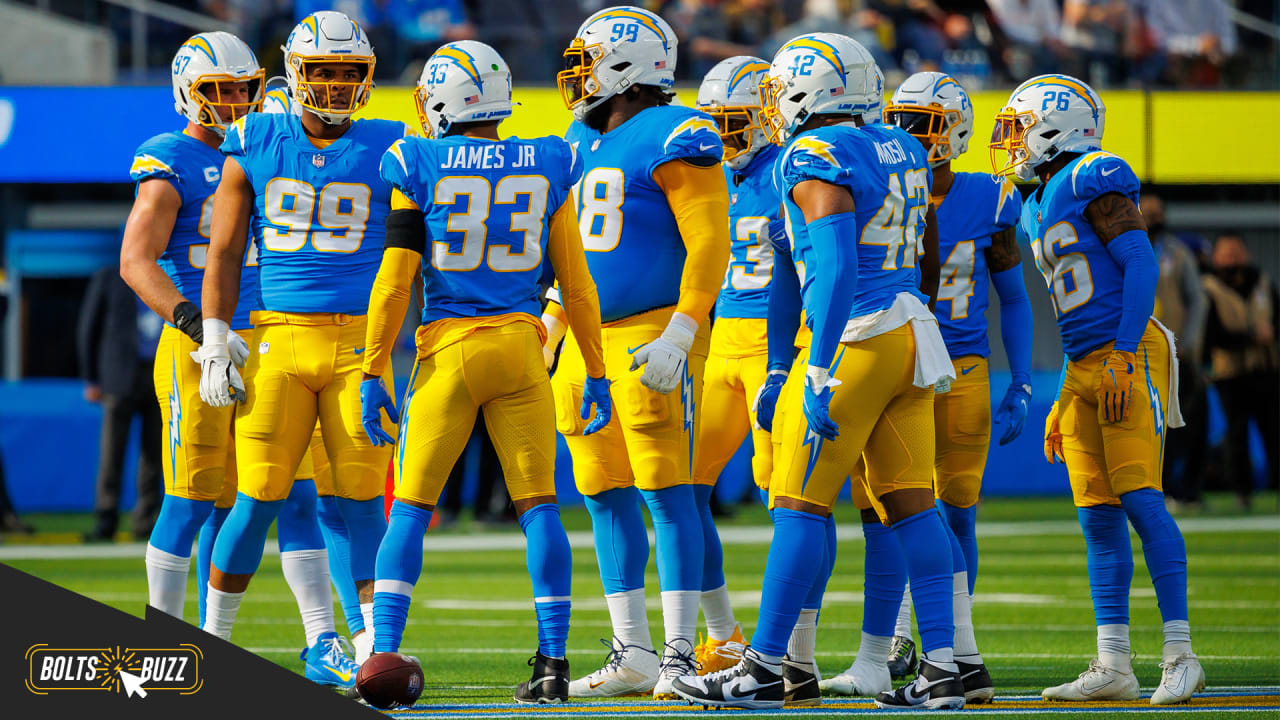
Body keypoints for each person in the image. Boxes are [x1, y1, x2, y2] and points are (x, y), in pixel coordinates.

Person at [673, 33, 965, 711]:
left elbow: (832, 266)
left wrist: (819, 363)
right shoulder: (899, 145)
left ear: (809, 91)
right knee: (913, 507)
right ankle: (943, 669)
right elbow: (919, 250)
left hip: (857, 338)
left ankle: (764, 666)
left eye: (781, 90)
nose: (775, 104)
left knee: (800, 506)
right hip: (910, 335)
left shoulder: (816, 153)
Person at [363, 40, 610, 703]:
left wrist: (371, 369)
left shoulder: (415, 159)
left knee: (410, 513)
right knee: (538, 509)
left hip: (448, 350)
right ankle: (553, 664)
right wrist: (598, 370)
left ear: (444, 101)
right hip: (522, 348)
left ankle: (382, 652)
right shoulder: (551, 158)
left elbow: (395, 282)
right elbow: (577, 282)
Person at [120, 33, 363, 687]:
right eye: (216, 89)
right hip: (202, 343)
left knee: (299, 494)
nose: (230, 101)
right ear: (185, 94)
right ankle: (165, 649)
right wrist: (199, 325)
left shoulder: (268, 145)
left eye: (240, 87)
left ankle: (322, 640)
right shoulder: (170, 157)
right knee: (190, 499)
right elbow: (136, 260)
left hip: (281, 339)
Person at [195, 12, 407, 682]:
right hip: (279, 339)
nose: (338, 84)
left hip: (357, 348)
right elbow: (225, 251)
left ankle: (372, 642)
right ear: (296, 72)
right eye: (323, 71)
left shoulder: (393, 144)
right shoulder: (254, 136)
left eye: (349, 72)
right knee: (256, 496)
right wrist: (214, 336)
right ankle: (214, 643)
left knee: (360, 501)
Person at [991, 73, 1203, 705]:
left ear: (1058, 127)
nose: (1013, 141)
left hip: (1127, 351)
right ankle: (1114, 664)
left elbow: (1139, 263)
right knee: (1096, 516)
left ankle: (1181, 654)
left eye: (1021, 127)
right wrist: (1066, 388)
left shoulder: (1095, 174)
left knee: (1141, 501)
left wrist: (1119, 355)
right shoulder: (1035, 201)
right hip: (1085, 363)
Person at [546, 6, 730, 699]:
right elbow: (576, 250)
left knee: (669, 493)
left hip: (654, 334)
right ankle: (636, 653)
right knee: (601, 493)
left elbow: (710, 239)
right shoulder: (579, 137)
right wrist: (553, 323)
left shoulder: (674, 132)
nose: (577, 79)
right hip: (587, 345)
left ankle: (682, 656)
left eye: (586, 64)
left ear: (625, 68)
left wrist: (683, 331)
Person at [682, 55, 779, 678]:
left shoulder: (794, 167)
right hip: (721, 346)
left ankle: (790, 650)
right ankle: (724, 635)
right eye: (714, 120)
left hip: (779, 343)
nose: (724, 134)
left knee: (793, 504)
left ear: (768, 118)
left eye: (736, 120)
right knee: (681, 489)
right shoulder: (706, 175)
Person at [77, 265, 163, 542]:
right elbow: (89, 326)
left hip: (159, 373)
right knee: (112, 452)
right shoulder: (110, 277)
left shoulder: (170, 273)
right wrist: (91, 378)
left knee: (155, 455)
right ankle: (106, 517)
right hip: (119, 375)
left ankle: (146, 520)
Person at [1203, 232, 1279, 507]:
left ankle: (1275, 486)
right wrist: (1250, 337)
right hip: (1230, 373)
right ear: (1216, 257)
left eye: (1237, 251)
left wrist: (1271, 332)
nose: (1232, 257)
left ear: (1246, 254)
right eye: (1226, 252)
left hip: (1266, 369)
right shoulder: (1208, 287)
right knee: (1236, 434)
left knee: (1273, 431)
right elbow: (1211, 333)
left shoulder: (1263, 283)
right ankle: (1242, 491)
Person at [1142, 194, 1208, 508]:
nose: (1153, 218)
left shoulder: (1178, 253)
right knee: (1150, 428)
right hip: (1138, 357)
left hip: (1177, 356)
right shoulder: (1122, 249)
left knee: (1189, 425)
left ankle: (1187, 491)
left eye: (1157, 212)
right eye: (1147, 212)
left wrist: (1188, 342)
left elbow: (1197, 300)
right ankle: (1157, 489)